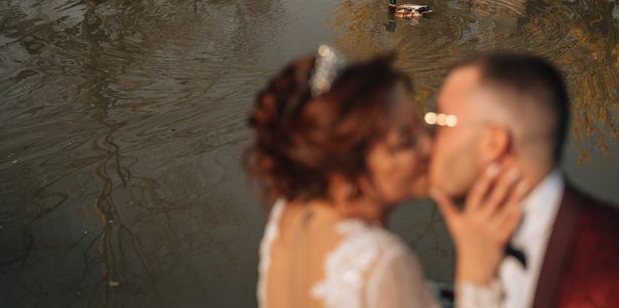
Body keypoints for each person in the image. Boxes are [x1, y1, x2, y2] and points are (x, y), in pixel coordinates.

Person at [244, 46, 526, 308]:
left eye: (418, 126)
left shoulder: (288, 214)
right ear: (346, 173)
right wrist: (478, 269)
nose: (428, 145)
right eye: (405, 142)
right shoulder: (381, 261)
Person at [428, 52, 619, 308]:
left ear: (493, 142)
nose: (426, 141)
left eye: (441, 121)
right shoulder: (477, 240)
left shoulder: (606, 262)